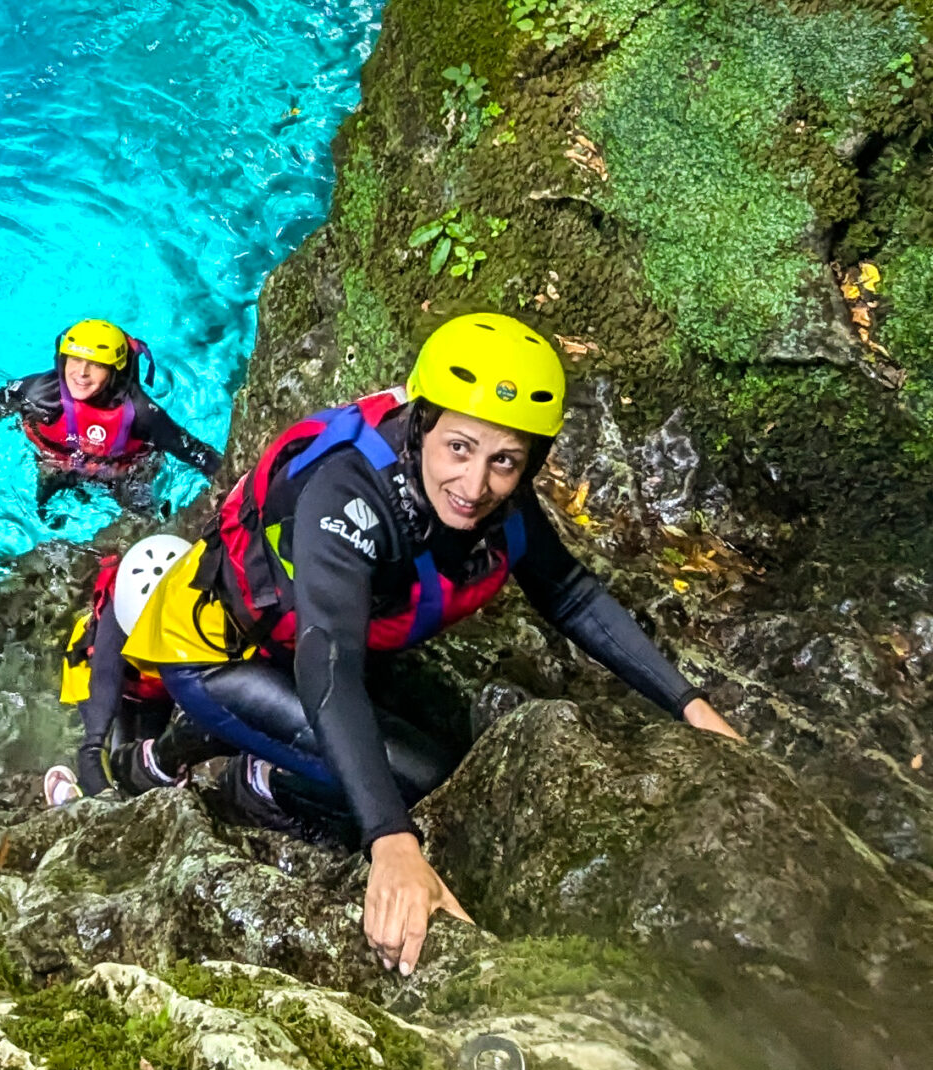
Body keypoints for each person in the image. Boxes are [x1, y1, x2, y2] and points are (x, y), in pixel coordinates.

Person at [107, 313, 745, 976]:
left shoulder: (502, 497)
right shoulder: (346, 496)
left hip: (293, 635)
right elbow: (328, 672)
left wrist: (691, 707)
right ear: (421, 424)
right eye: (460, 449)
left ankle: (178, 752)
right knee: (423, 778)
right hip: (217, 651)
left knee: (419, 736)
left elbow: (571, 594)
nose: (475, 487)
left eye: (505, 461)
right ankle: (260, 783)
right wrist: (392, 840)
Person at [0, 319, 221, 522]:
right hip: (54, 463)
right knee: (42, 518)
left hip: (123, 470)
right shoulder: (39, 391)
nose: (81, 372)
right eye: (74, 360)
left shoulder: (139, 412)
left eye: (96, 364)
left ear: (114, 371)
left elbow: (195, 451)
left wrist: (230, 486)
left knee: (143, 524)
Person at [42, 534, 191, 807]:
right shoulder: (118, 623)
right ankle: (118, 774)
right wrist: (96, 772)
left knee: (149, 737)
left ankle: (136, 774)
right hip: (125, 683)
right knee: (120, 730)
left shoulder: (140, 601)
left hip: (153, 687)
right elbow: (104, 691)